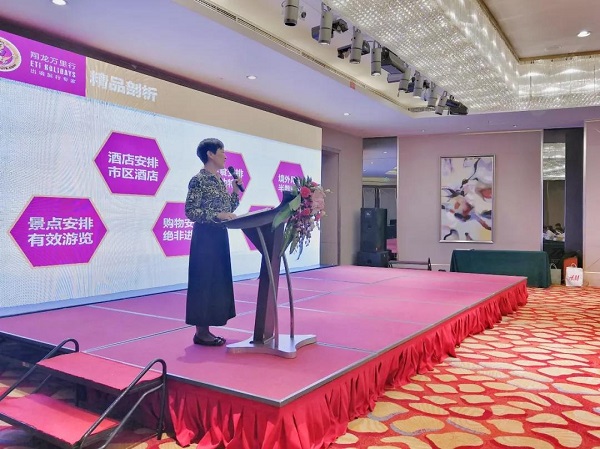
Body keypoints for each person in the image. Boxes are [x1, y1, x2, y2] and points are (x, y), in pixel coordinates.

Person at [185, 138, 242, 346]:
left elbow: (227, 209)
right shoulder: (198, 180)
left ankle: (208, 327)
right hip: (204, 239)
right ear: (210, 154)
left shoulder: (219, 180)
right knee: (204, 282)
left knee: (217, 281)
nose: (225, 156)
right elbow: (190, 211)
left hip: (219, 237)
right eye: (222, 152)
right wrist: (217, 216)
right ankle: (201, 332)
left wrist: (235, 191)